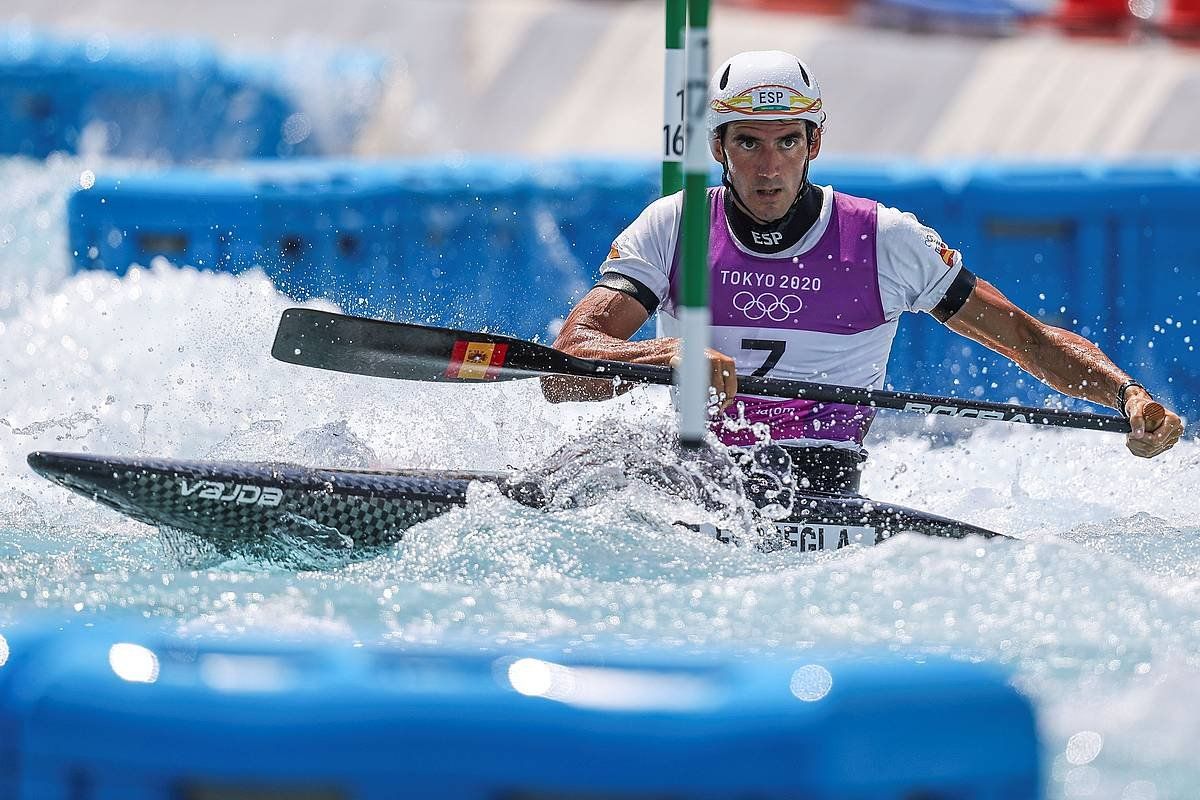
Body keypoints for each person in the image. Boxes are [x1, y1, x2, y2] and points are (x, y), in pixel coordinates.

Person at [542, 50, 1183, 508]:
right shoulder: (674, 226)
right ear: (719, 148)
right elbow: (564, 372)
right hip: (689, 472)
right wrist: (666, 355)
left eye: (788, 143)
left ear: (815, 142)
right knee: (578, 470)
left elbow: (1029, 341)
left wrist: (1128, 396)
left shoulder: (886, 240)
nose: (769, 168)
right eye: (748, 144)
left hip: (818, 480)